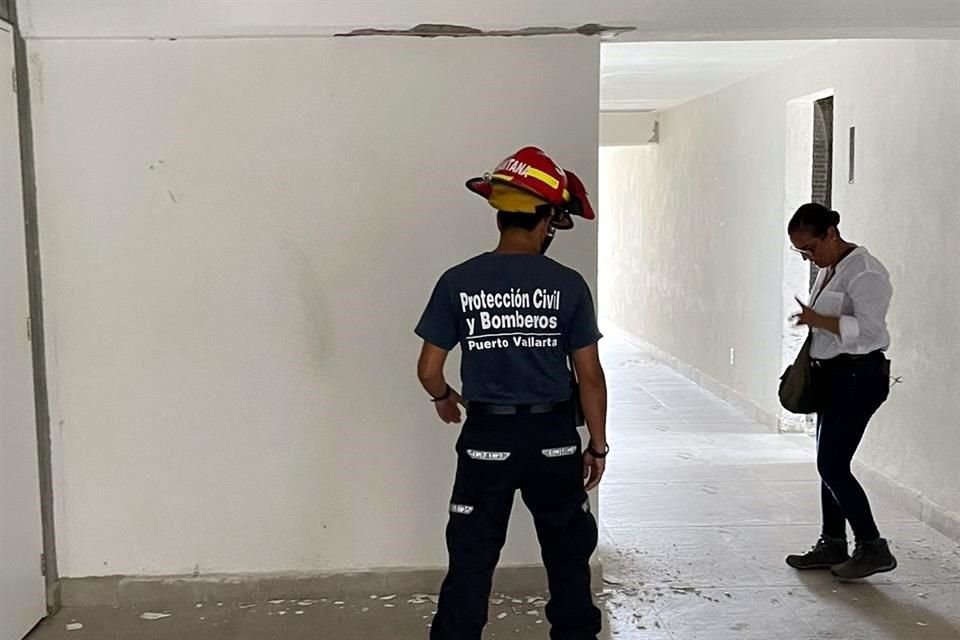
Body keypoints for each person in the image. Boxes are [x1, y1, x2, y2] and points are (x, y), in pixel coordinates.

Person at [415, 146, 608, 639]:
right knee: (567, 559)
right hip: (554, 438)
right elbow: (589, 374)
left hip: (487, 437)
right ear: (544, 222)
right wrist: (597, 446)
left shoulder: (458, 281)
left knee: (471, 560)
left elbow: (429, 369)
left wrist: (443, 397)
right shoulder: (568, 284)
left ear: (501, 218)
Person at [785, 202, 897, 580]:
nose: (809, 259)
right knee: (826, 462)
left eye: (811, 249)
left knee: (832, 464)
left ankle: (872, 546)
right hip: (832, 376)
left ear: (830, 233)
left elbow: (871, 332)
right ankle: (832, 543)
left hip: (858, 377)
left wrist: (821, 321)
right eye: (801, 253)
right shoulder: (830, 269)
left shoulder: (865, 271)